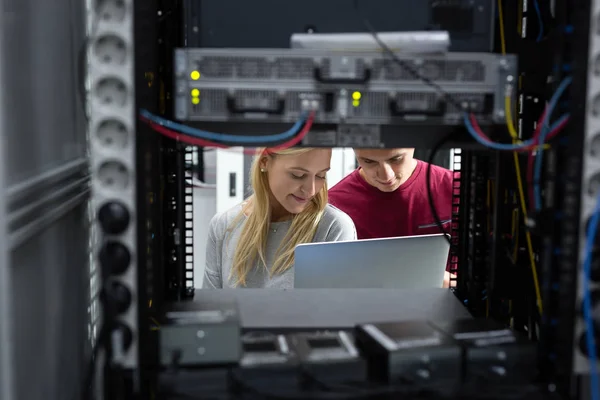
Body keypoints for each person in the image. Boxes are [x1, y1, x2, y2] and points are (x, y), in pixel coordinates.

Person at [203, 147, 357, 289]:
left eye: (320, 175)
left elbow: (338, 313)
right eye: (298, 175)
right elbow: (211, 309)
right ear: (264, 162)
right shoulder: (224, 225)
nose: (311, 190)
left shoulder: (334, 228)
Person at [327, 148, 455, 286]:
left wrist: (450, 284)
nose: (386, 176)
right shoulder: (333, 206)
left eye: (396, 159)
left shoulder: (456, 187)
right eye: (369, 161)